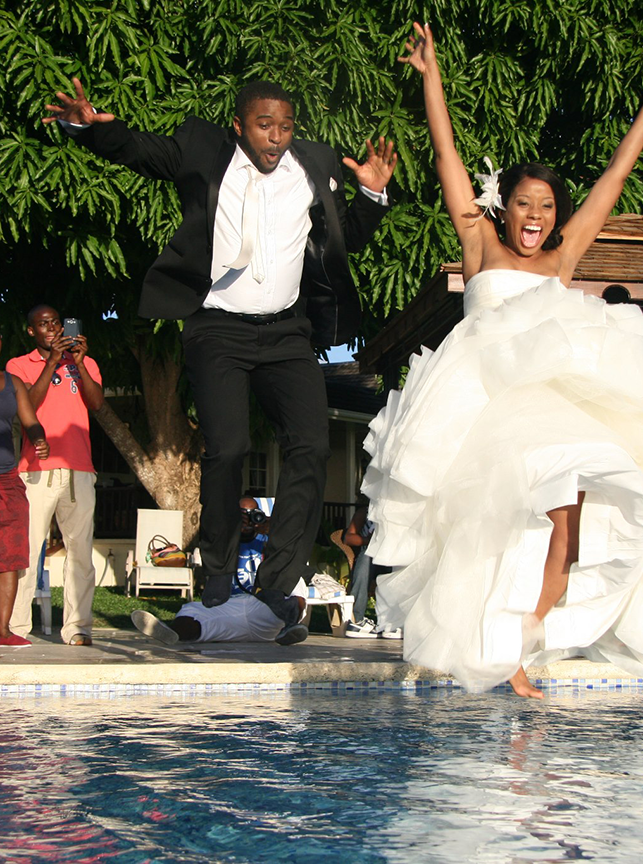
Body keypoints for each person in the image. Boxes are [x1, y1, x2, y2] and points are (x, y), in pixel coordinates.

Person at [362, 24, 643, 697]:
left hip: (550, 408)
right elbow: (446, 154)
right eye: (524, 204)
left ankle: (524, 644)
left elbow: (614, 179)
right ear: (505, 210)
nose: (535, 215)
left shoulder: (563, 257)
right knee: (494, 527)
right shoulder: (479, 244)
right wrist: (431, 77)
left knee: (565, 528)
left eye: (546, 206)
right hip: (480, 407)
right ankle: (499, 651)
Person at [43, 77, 397, 641]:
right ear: (239, 125)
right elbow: (139, 149)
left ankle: (277, 587)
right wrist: (88, 130)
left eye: (284, 127)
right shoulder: (204, 150)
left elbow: (341, 239)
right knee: (228, 448)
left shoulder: (316, 165)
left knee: (310, 443)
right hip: (216, 327)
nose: (275, 138)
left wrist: (372, 198)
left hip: (285, 332)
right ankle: (216, 586)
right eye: (264, 126)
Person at [6, 306, 103, 646]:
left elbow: (96, 403)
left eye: (56, 323)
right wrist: (52, 363)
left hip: (79, 468)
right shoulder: (18, 366)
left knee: (81, 552)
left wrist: (76, 362)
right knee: (27, 552)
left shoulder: (83, 363)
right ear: (31, 331)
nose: (51, 329)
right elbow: (26, 405)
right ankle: (16, 627)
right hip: (35, 470)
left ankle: (77, 628)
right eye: (43, 324)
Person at [131, 495, 308, 645]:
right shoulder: (222, 542)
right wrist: (231, 531)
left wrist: (274, 533)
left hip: (267, 610)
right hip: (230, 610)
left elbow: (292, 554)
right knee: (191, 610)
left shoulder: (270, 540)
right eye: (242, 515)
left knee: (293, 577)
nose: (247, 519)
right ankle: (172, 633)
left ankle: (291, 627)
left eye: (253, 514)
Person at [0, 334, 50, 647]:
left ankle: (2, 630)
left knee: (11, 556)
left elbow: (30, 420)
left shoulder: (13, 383)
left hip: (7, 479)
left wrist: (39, 438)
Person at [342, 498, 396, 638]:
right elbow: (348, 538)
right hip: (368, 558)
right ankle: (357, 620)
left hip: (389, 557)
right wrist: (371, 541)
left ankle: (391, 622)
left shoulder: (395, 514)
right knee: (367, 554)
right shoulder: (365, 513)